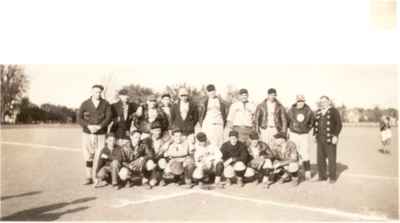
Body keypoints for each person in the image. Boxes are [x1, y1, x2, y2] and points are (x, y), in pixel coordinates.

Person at [78, 84, 112, 185]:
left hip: (101, 133)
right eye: (96, 92)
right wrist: (88, 126)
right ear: (92, 92)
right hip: (88, 133)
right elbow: (79, 118)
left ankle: (97, 176)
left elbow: (108, 117)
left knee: (100, 155)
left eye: (99, 92)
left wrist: (100, 126)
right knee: (88, 156)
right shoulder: (85, 103)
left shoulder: (106, 103)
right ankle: (88, 177)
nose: (98, 94)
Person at [313, 96, 343, 184]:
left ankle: (332, 177)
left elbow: (339, 124)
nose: (323, 103)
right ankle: (322, 176)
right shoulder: (318, 112)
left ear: (329, 102)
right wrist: (315, 135)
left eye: (325, 101)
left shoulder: (334, 111)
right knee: (320, 158)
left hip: (330, 138)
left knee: (331, 158)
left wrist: (335, 136)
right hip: (320, 138)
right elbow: (316, 125)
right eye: (321, 101)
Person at [287, 95, 314, 180]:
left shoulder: (308, 111)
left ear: (304, 101)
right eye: (299, 101)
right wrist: (290, 130)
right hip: (293, 134)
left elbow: (312, 122)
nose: (300, 103)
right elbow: (287, 121)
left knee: (305, 153)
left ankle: (307, 172)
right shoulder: (291, 110)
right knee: (294, 153)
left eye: (302, 101)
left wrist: (306, 129)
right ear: (296, 101)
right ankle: (295, 172)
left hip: (303, 135)